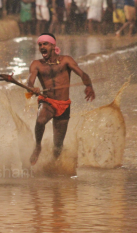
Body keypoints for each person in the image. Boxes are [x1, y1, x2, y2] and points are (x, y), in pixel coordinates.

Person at [27, 33, 96, 165]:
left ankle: (52, 167)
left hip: (63, 105)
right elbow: (30, 81)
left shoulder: (66, 60)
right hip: (47, 101)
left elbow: (82, 74)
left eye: (45, 44)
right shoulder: (36, 64)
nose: (42, 47)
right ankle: (38, 146)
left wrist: (88, 86)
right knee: (40, 120)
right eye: (40, 45)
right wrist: (32, 88)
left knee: (58, 146)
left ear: (53, 45)